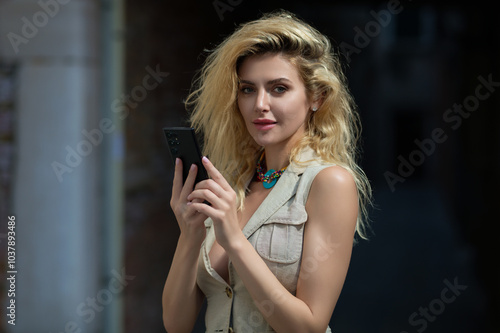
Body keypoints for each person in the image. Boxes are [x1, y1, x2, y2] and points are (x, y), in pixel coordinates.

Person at [162, 10, 372, 333]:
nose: (260, 104)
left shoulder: (329, 183)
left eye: (278, 89)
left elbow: (308, 327)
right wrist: (189, 235)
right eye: (248, 89)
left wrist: (235, 241)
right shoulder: (232, 184)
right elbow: (176, 324)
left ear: (316, 97)